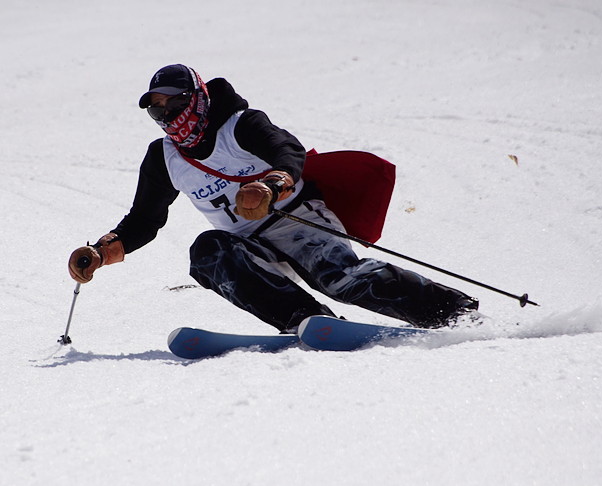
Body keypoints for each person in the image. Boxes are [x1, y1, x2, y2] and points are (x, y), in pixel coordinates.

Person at [68, 64, 479, 333]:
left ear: (194, 97)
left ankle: (455, 314)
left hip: (298, 221)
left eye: (172, 104)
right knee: (207, 251)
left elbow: (289, 151)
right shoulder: (164, 157)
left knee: (339, 279)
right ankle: (306, 321)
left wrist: (270, 185)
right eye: (157, 112)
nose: (167, 117)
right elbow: (145, 218)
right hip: (249, 243)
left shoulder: (240, 125)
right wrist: (102, 251)